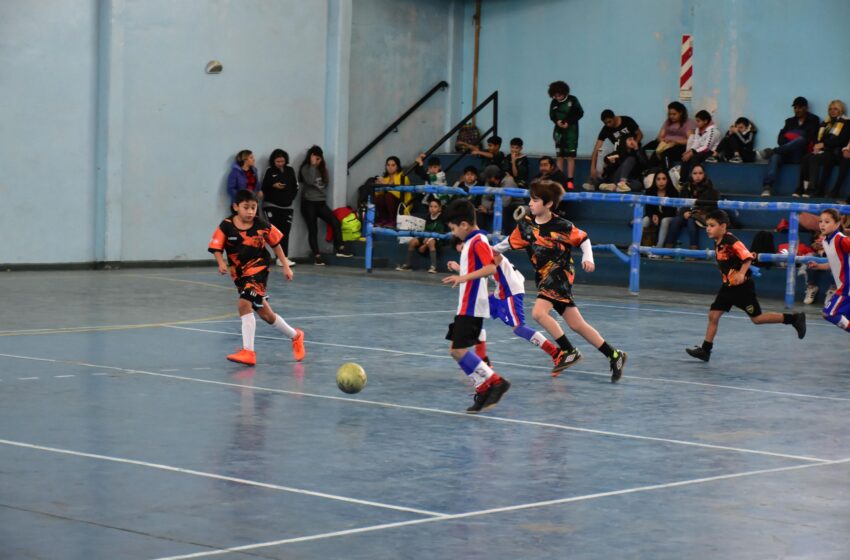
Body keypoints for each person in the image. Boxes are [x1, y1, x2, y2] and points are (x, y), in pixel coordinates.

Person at [495, 179, 627, 382]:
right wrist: (485, 250)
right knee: (576, 324)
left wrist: (588, 257)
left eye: (536, 200)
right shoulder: (526, 226)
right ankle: (614, 355)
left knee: (538, 313)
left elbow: (584, 239)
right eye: (530, 199)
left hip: (560, 274)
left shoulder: (562, 225)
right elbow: (504, 245)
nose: (530, 203)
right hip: (544, 278)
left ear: (548, 204)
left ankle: (568, 350)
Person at [685, 209, 807, 362]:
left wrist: (742, 273)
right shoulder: (718, 239)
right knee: (713, 315)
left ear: (723, 227)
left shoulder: (731, 241)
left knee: (757, 319)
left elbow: (747, 257)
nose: (708, 228)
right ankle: (705, 350)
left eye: (712, 225)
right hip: (727, 286)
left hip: (741, 288)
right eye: (707, 225)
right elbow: (709, 222)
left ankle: (794, 319)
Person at [208, 189, 305, 366]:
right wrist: (221, 262)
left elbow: (276, 245)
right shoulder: (226, 225)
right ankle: (296, 335)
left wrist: (285, 266)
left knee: (244, 303)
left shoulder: (262, 225)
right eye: (246, 207)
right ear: (236, 207)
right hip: (240, 275)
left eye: (253, 207)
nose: (251, 211)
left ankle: (248, 352)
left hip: (258, 270)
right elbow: (216, 247)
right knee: (266, 315)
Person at [448, 240, 567, 373]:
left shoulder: (487, 250)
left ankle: (556, 353)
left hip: (510, 290)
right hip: (502, 290)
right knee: (476, 316)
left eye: (464, 248)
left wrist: (460, 270)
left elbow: (487, 269)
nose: (465, 252)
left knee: (518, 328)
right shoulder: (479, 253)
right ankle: (483, 360)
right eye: (462, 251)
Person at [441, 199, 511, 414]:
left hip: (472, 305)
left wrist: (462, 278)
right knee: (454, 350)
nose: (453, 234)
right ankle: (483, 387)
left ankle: (495, 381)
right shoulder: (472, 241)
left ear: (464, 224)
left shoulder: (478, 240)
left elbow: (490, 268)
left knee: (459, 350)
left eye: (453, 228)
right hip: (466, 305)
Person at [298, 145, 353, 265]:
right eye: (315, 159)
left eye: (319, 159)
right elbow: (309, 181)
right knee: (313, 229)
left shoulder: (323, 169)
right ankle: (317, 255)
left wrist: (317, 167)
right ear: (311, 158)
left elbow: (325, 184)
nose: (317, 161)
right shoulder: (306, 168)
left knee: (335, 221)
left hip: (321, 202)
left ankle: (340, 247)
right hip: (308, 203)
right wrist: (312, 165)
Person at [759, 96, 821, 197]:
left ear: (806, 108)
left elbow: (810, 138)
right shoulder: (789, 121)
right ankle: (767, 187)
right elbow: (780, 139)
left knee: (801, 140)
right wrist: (793, 139)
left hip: (801, 154)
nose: (797, 110)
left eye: (800, 107)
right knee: (775, 157)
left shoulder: (813, 120)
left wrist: (794, 137)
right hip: (786, 153)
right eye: (795, 108)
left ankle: (773, 151)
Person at [795, 100, 850, 198]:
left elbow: (841, 140)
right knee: (806, 157)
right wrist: (817, 146)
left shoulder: (846, 122)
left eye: (835, 109)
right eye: (830, 109)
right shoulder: (825, 123)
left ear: (841, 110)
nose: (832, 111)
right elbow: (818, 138)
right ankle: (801, 188)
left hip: (835, 151)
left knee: (814, 159)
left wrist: (823, 145)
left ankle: (812, 189)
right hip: (824, 150)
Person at [808, 209, 850, 333]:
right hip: (843, 286)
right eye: (820, 221)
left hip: (846, 287)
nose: (822, 224)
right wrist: (819, 266)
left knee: (829, 314)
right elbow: (834, 263)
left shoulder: (841, 240)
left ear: (837, 224)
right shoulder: (826, 241)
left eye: (827, 221)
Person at [585, 110, 643, 191]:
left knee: (638, 184)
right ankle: (597, 180)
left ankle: (611, 184)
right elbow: (596, 148)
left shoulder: (627, 121)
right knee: (602, 151)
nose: (608, 125)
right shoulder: (606, 130)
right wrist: (592, 168)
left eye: (609, 122)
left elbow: (640, 134)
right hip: (620, 155)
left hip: (632, 156)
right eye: (605, 123)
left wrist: (634, 145)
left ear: (614, 117)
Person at [664, 164, 718, 250]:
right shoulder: (686, 187)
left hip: (702, 217)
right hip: (687, 214)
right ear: (691, 175)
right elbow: (681, 203)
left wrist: (693, 212)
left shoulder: (710, 189)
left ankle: (693, 249)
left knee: (691, 221)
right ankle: (668, 249)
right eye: (695, 173)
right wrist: (685, 212)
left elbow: (709, 207)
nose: (697, 176)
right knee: (676, 221)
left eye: (700, 173)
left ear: (704, 174)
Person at [261, 149, 298, 267]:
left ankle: (283, 258)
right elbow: (263, 186)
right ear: (273, 161)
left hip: (287, 206)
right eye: (278, 161)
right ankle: (275, 257)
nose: (280, 163)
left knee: (285, 232)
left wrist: (290, 198)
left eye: (282, 161)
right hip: (272, 205)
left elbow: (295, 186)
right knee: (275, 232)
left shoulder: (290, 170)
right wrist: (273, 185)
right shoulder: (269, 171)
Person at [548, 81, 584, 188]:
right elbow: (552, 115)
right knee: (560, 156)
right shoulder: (554, 102)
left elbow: (580, 113)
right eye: (555, 95)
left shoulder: (573, 100)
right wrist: (557, 122)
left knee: (570, 157)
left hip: (571, 132)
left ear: (564, 92)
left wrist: (568, 122)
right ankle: (560, 180)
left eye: (559, 95)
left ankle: (570, 180)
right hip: (558, 132)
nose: (557, 97)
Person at [396, 199, 446, 273]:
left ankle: (433, 267)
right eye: (431, 206)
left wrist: (425, 245)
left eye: (435, 207)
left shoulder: (442, 218)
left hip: (437, 239)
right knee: (412, 242)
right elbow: (424, 230)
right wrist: (424, 239)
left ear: (440, 208)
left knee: (431, 242)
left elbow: (438, 234)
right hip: (427, 237)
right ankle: (408, 265)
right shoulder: (427, 217)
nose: (432, 208)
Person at [645, 101, 695, 170]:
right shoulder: (668, 122)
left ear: (681, 113)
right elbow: (659, 136)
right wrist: (663, 140)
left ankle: (666, 174)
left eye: (674, 114)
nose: (671, 116)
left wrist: (675, 141)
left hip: (679, 145)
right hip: (665, 143)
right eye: (670, 114)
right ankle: (647, 172)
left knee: (665, 154)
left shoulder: (688, 122)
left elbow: (690, 140)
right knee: (644, 149)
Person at [641, 170, 678, 256]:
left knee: (664, 220)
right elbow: (648, 209)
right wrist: (652, 215)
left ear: (668, 180)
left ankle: (659, 249)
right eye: (658, 179)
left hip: (669, 217)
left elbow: (672, 211)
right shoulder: (650, 191)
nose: (661, 182)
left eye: (664, 179)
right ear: (655, 180)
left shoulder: (673, 192)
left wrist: (658, 216)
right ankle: (638, 246)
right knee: (645, 220)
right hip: (655, 216)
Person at [678, 110, 720, 181]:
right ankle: (683, 180)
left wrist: (692, 152)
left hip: (710, 152)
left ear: (705, 121)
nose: (696, 123)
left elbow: (706, 147)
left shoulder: (714, 131)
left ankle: (692, 180)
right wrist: (690, 151)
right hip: (700, 151)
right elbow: (696, 142)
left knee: (695, 157)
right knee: (686, 156)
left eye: (698, 121)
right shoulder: (698, 129)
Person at [373, 156, 412, 227]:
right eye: (388, 165)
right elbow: (379, 194)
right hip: (388, 202)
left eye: (393, 165)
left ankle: (394, 220)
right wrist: (379, 185)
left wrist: (385, 185)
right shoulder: (385, 178)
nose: (390, 167)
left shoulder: (403, 177)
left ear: (397, 166)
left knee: (389, 196)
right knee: (379, 197)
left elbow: (397, 193)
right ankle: (383, 219)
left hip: (401, 202)